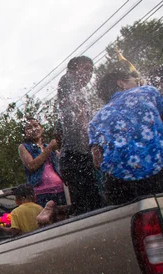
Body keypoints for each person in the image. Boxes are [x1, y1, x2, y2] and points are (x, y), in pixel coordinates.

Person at [89, 71, 163, 205]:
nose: (137, 82)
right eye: (134, 79)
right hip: (158, 176)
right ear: (121, 83)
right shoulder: (148, 92)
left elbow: (97, 162)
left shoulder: (96, 120)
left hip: (120, 186)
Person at [57, 56, 105, 214]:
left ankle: (57, 210)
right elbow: (80, 121)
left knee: (91, 202)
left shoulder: (80, 93)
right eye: (85, 69)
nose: (89, 74)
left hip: (79, 155)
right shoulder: (67, 83)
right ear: (72, 70)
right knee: (88, 206)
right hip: (74, 157)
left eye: (91, 70)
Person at [18, 118, 66, 207]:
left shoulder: (48, 147)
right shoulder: (24, 147)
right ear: (24, 133)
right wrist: (49, 148)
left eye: (36, 126)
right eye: (29, 128)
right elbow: (31, 165)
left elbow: (62, 163)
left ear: (42, 128)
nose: (33, 129)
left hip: (60, 190)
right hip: (41, 194)